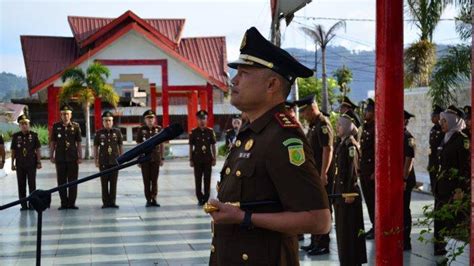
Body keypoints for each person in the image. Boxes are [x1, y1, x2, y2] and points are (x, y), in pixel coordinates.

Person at [207, 26, 331, 265]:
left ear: (272, 84)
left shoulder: (283, 138)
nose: (234, 80)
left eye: (243, 73)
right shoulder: (251, 132)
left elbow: (319, 220)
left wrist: (244, 217)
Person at [296, 94, 335, 256]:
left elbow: (328, 149)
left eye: (305, 112)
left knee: (323, 208)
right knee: (313, 207)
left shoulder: (323, 125)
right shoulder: (313, 126)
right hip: (313, 175)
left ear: (312, 109)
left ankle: (323, 243)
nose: (303, 116)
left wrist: (323, 173)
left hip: (321, 175)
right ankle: (314, 242)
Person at [433, 105, 470, 256]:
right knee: (439, 218)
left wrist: (460, 189)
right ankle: (439, 247)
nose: (441, 124)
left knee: (452, 221)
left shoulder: (462, 140)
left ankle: (450, 250)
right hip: (442, 187)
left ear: (452, 121)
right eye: (441, 121)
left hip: (453, 189)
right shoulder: (445, 137)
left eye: (444, 121)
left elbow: (464, 168)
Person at [333, 109, 367, 266]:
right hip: (341, 193)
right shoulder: (343, 143)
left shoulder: (350, 145)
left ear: (347, 126)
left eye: (340, 125)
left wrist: (350, 192)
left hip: (348, 194)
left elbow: (353, 170)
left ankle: (351, 261)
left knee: (349, 232)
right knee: (342, 231)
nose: (337, 127)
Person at [50, 104, 82, 210]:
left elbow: (78, 143)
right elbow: (53, 143)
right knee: (61, 182)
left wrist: (80, 156)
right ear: (61, 115)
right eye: (63, 114)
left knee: (73, 181)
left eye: (67, 114)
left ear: (71, 115)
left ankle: (72, 203)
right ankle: (64, 203)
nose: (65, 116)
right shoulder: (56, 126)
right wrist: (51, 155)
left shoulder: (76, 126)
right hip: (60, 158)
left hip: (73, 158)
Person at [11, 114, 42, 211]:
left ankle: (32, 204)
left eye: (26, 123)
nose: (24, 125)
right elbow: (13, 151)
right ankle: (23, 205)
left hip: (31, 163)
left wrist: (39, 161)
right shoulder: (16, 136)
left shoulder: (34, 135)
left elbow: (38, 150)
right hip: (20, 164)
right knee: (21, 184)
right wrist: (12, 163)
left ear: (29, 124)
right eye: (22, 124)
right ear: (19, 126)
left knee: (32, 184)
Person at [94, 111, 123, 208]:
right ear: (103, 122)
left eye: (109, 120)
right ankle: (106, 203)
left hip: (115, 162)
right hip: (103, 162)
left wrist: (122, 159)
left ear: (112, 121)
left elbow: (120, 146)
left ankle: (113, 202)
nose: (108, 122)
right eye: (106, 121)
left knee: (113, 183)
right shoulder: (99, 133)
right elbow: (95, 147)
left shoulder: (117, 132)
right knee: (104, 183)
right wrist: (96, 160)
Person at [136, 110, 164, 207]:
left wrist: (162, 158)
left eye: (152, 118)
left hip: (155, 158)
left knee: (154, 180)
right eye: (148, 118)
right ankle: (148, 199)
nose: (150, 120)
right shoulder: (141, 130)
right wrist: (139, 158)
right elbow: (138, 145)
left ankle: (154, 199)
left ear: (155, 119)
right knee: (146, 180)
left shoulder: (159, 129)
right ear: (145, 120)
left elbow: (161, 144)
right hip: (144, 159)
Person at [189, 110, 216, 206]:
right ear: (197, 120)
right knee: (198, 179)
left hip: (208, 159)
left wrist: (214, 158)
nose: (202, 121)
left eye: (204, 118)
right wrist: (191, 159)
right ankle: (199, 197)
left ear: (206, 119)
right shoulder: (193, 132)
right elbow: (191, 147)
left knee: (207, 179)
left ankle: (206, 197)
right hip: (197, 159)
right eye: (200, 119)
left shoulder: (210, 131)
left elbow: (213, 145)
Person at [359, 98, 376, 239]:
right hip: (364, 169)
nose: (366, 113)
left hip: (371, 171)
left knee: (373, 200)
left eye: (368, 111)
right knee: (369, 200)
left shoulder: (375, 128)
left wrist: (376, 171)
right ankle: (373, 225)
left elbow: (378, 151)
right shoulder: (366, 127)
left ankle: (377, 226)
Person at [403, 110, 417, 251]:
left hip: (405, 179)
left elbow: (409, 159)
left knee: (404, 210)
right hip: (398, 179)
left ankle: (406, 241)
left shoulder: (408, 137)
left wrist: (404, 178)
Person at [428, 105, 444, 193]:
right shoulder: (433, 129)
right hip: (432, 161)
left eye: (434, 115)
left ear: (439, 116)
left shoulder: (443, 129)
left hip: (439, 161)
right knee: (433, 184)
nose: (432, 117)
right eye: (432, 115)